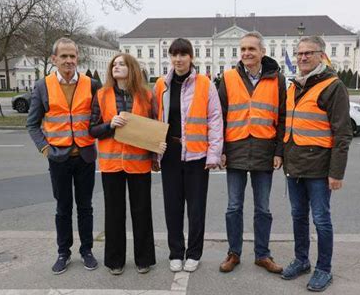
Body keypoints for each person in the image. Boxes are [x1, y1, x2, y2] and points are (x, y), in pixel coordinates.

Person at [280, 36, 353, 292]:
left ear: (321, 55)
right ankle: (301, 260)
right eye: (299, 53)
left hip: (320, 169)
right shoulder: (294, 85)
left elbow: (343, 134)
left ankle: (324, 269)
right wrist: (281, 155)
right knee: (298, 216)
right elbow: (285, 125)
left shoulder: (333, 86)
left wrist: (336, 173)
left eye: (308, 53)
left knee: (321, 219)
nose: (302, 58)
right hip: (294, 166)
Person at [27, 37, 100, 274]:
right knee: (63, 207)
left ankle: (86, 250)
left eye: (73, 56)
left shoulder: (92, 84)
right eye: (64, 56)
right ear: (54, 59)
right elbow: (32, 124)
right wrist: (45, 148)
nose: (69, 61)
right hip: (58, 157)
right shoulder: (42, 86)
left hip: (85, 156)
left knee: (85, 206)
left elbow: (101, 117)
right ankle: (63, 252)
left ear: (77, 58)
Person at [89, 53, 165, 275]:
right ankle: (115, 261)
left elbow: (154, 127)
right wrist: (109, 125)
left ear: (131, 68)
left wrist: (155, 157)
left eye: (121, 64)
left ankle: (144, 259)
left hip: (139, 164)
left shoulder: (146, 95)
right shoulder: (101, 95)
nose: (116, 67)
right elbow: (92, 129)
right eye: (114, 64)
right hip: (111, 164)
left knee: (142, 212)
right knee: (114, 213)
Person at [218, 31, 286, 274]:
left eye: (252, 49)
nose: (246, 53)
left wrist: (279, 151)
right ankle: (233, 253)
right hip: (235, 150)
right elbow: (220, 116)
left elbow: (282, 117)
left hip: (264, 152)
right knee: (233, 207)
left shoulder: (277, 79)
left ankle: (262, 254)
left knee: (263, 209)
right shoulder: (227, 78)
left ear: (262, 52)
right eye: (243, 49)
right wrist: (221, 150)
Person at [153, 38, 223, 273]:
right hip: (170, 153)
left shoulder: (205, 84)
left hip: (196, 155)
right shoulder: (162, 84)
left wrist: (214, 153)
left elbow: (214, 119)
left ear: (191, 57)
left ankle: (193, 253)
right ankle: (175, 252)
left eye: (183, 54)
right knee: (172, 206)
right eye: (174, 55)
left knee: (195, 208)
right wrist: (154, 150)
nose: (178, 59)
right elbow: (155, 118)